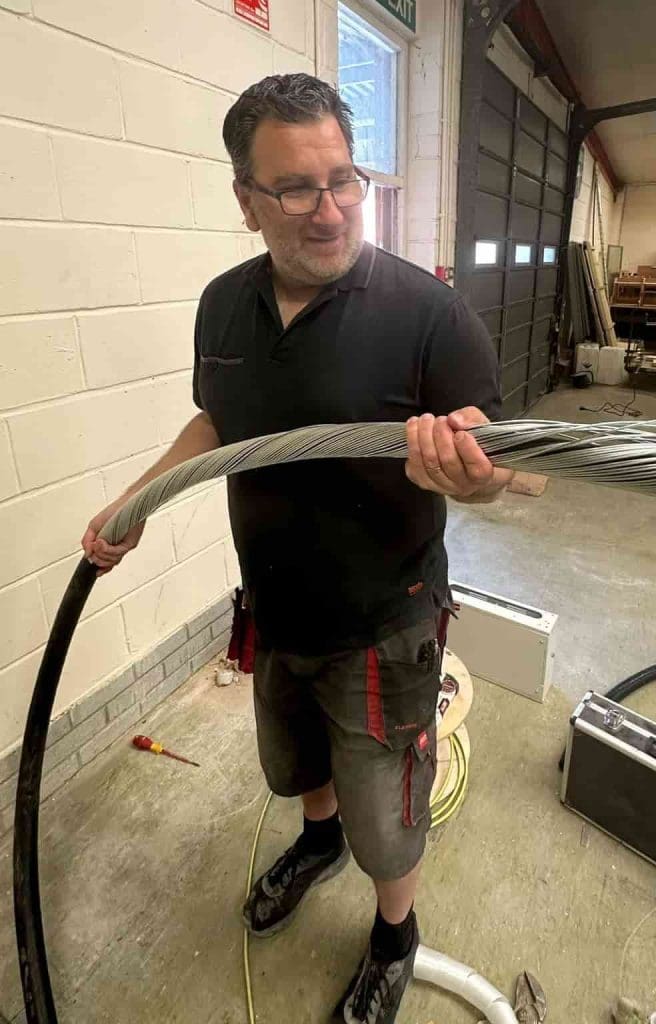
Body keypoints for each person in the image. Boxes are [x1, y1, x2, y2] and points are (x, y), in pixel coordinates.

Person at [82, 74, 511, 1024]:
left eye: (344, 179)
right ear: (246, 201)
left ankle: (395, 930)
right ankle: (314, 844)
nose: (331, 212)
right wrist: (137, 501)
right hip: (273, 606)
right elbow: (219, 420)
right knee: (296, 767)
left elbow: (513, 474)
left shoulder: (426, 316)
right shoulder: (223, 306)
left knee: (386, 812)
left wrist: (473, 477)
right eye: (296, 189)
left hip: (382, 622)